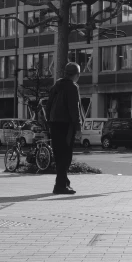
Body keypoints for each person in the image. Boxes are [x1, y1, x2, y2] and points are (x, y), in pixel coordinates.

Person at [47, 62, 82, 195]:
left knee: (58, 154)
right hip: (66, 125)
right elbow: (74, 109)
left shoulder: (56, 86)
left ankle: (64, 181)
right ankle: (60, 185)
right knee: (66, 155)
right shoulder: (72, 87)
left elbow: (48, 106)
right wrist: (77, 127)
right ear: (76, 75)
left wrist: (49, 122)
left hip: (54, 124)